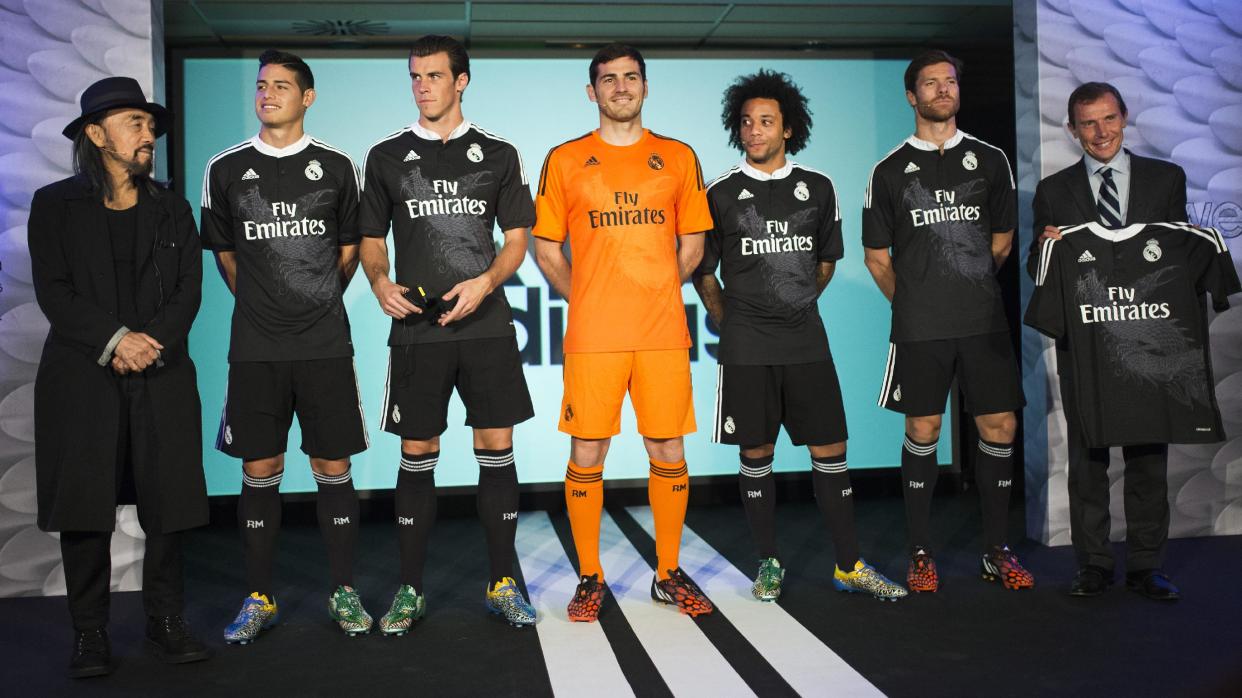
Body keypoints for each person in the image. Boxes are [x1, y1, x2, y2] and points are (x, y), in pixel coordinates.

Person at [694, 69, 907, 602]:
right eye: (746, 122)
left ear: (788, 128)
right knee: (756, 451)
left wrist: (795, 302)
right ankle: (767, 563)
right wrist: (727, 317)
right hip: (746, 346)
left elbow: (827, 262)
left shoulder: (818, 186)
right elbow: (702, 270)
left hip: (806, 341)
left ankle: (848, 564)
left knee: (831, 448)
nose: (754, 130)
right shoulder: (718, 192)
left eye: (766, 121)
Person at [30, 76, 210, 678]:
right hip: (83, 377)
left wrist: (147, 342)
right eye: (135, 121)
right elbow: (54, 292)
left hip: (160, 371)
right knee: (85, 509)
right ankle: (90, 635)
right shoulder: (53, 205)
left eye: (150, 123)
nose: (149, 132)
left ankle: (165, 624)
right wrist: (115, 341)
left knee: (169, 504)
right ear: (95, 133)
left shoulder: (173, 206)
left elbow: (189, 289)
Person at [358, 35, 537, 631]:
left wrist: (485, 283)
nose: (423, 86)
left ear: (461, 81)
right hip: (416, 329)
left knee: (495, 448)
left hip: (485, 327)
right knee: (417, 454)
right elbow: (369, 240)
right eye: (415, 77)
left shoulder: (499, 153)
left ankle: (502, 581)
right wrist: (380, 281)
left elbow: (516, 240)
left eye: (434, 76)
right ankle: (409, 590)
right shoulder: (385, 156)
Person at [533, 43, 715, 621]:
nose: (619, 87)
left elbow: (693, 243)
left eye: (630, 77)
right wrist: (587, 296)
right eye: (607, 80)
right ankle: (590, 575)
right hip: (594, 335)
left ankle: (667, 572)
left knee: (667, 447)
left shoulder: (679, 157)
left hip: (661, 331)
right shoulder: (564, 159)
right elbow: (544, 246)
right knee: (588, 449)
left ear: (644, 86)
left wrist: (658, 286)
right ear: (592, 92)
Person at [201, 50, 371, 642]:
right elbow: (224, 253)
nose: (267, 93)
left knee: (333, 465)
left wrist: (317, 297)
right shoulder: (224, 168)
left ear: (308, 97)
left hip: (325, 343)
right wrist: (262, 304)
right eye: (261, 85)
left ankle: (343, 593)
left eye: (281, 86)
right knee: (260, 466)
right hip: (255, 347)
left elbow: (350, 248)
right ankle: (259, 598)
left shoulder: (337, 165)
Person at [862, 50, 1033, 592]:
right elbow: (876, 256)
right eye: (930, 84)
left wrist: (970, 284)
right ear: (911, 97)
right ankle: (919, 550)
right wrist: (913, 300)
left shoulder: (990, 160)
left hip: (983, 321)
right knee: (923, 429)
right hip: (920, 327)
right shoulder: (888, 170)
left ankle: (997, 550)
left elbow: (1002, 242)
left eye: (950, 82)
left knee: (999, 427)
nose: (942, 90)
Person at [1026, 82, 1190, 600]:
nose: (1101, 133)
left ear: (1125, 117)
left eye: (1109, 119)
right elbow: (1037, 267)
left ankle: (1147, 564)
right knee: (1087, 457)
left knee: (1147, 456)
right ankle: (1093, 564)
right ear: (1072, 130)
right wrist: (1049, 251)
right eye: (1088, 124)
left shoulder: (1166, 179)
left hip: (1147, 340)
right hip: (1087, 345)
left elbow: (1178, 255)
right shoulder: (1054, 191)